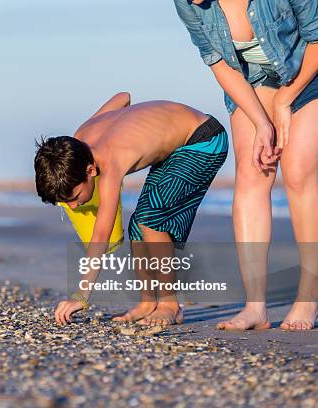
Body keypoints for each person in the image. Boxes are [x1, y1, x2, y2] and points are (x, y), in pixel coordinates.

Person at [174, 0, 317, 330]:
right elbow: (220, 64)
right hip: (252, 80)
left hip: (308, 69)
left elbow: (317, 38)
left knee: (298, 171)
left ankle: (308, 298)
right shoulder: (187, 3)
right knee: (252, 174)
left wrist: (284, 100)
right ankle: (255, 307)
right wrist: (261, 123)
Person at [34, 92, 228, 326]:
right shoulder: (81, 138)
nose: (73, 206)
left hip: (204, 139)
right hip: (176, 147)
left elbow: (101, 235)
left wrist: (81, 296)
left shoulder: (109, 160)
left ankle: (170, 305)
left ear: (90, 171)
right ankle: (148, 303)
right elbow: (123, 97)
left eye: (74, 197)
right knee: (137, 226)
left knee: (150, 219)